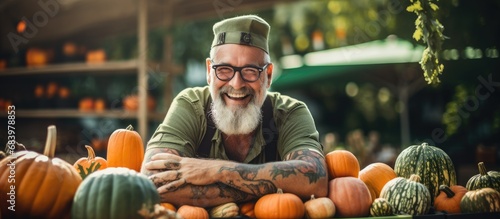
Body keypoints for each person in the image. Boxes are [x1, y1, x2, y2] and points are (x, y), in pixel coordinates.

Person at [141, 14, 328, 208]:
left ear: (269, 75)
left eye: (250, 71)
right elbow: (152, 182)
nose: (237, 84)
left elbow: (316, 177)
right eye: (224, 69)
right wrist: (265, 187)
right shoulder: (190, 105)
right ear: (208, 72)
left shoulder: (290, 113)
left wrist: (217, 171)